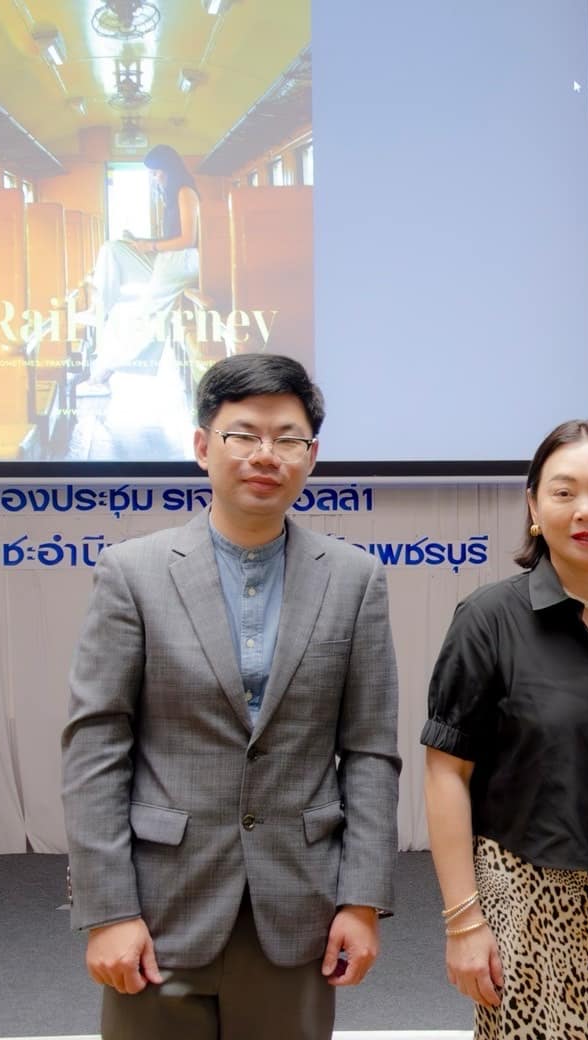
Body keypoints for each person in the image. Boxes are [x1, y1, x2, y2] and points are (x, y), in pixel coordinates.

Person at [60, 353, 400, 1040]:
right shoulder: (133, 573)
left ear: (311, 456)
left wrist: (361, 900)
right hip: (159, 908)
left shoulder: (355, 580)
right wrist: (108, 909)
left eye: (288, 438)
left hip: (297, 908)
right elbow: (96, 747)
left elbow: (370, 753)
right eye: (243, 434)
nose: (265, 454)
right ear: (202, 446)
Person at [422, 419, 588, 1040]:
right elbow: (445, 772)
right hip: (518, 901)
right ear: (534, 507)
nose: (586, 510)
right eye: (564, 492)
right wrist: (463, 921)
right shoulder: (488, 619)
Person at [79, 144, 202, 391]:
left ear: (168, 169)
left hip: (184, 261)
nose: (154, 178)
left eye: (156, 173)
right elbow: (172, 238)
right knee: (113, 249)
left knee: (146, 314)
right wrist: (141, 242)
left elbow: (189, 239)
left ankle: (104, 372)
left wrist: (151, 246)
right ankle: (99, 308)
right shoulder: (171, 195)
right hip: (167, 257)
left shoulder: (185, 192)